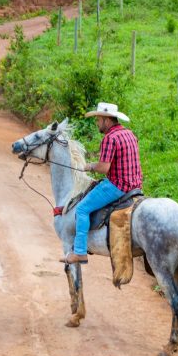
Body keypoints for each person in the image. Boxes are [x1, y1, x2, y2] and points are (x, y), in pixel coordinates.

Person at [59, 102, 143, 264]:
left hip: (118, 186)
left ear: (106, 120)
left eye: (98, 119)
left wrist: (89, 166)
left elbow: (104, 167)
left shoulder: (110, 138)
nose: (97, 123)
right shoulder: (129, 134)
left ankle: (80, 252)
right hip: (135, 185)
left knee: (82, 209)